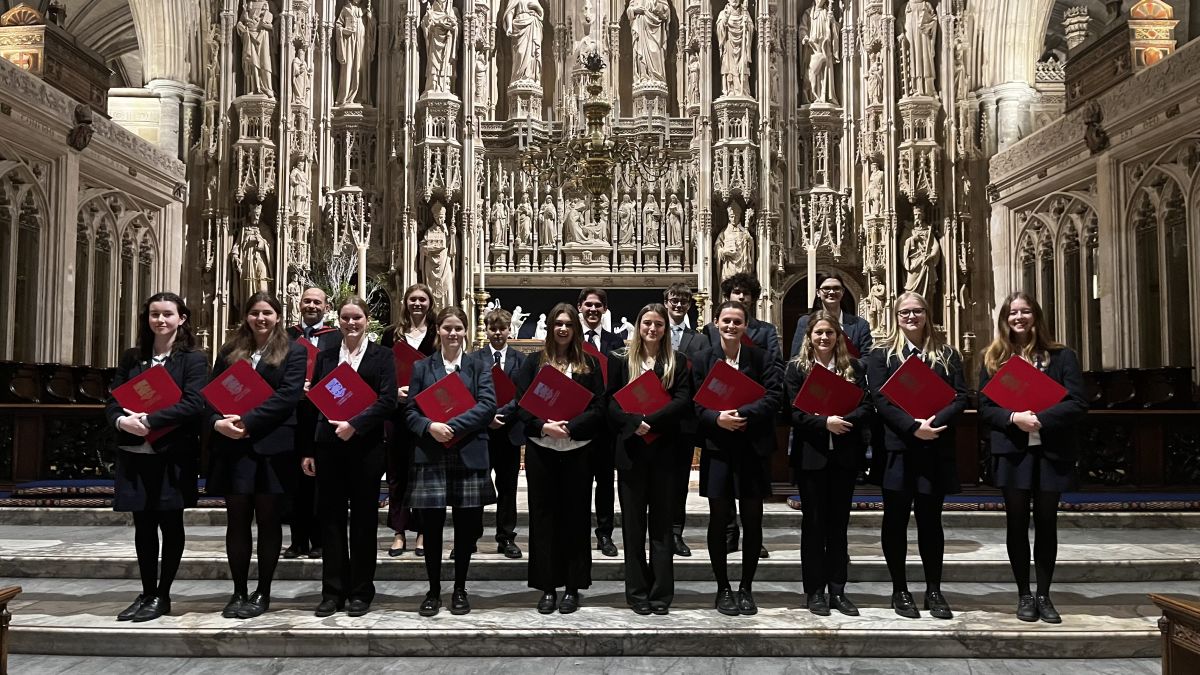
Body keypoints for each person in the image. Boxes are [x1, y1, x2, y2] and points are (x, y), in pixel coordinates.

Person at [979, 292, 1087, 624]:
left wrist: (1041, 416)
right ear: (1004, 319)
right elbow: (985, 407)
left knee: (1046, 523)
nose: (1019, 317)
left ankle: (1044, 594)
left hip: (1051, 450)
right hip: (1013, 451)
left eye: (1025, 311)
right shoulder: (993, 358)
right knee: (1015, 524)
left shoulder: (1061, 356)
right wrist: (1014, 419)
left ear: (1036, 316)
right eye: (1013, 313)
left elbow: (1077, 402)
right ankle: (1024, 594)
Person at [106, 292, 207, 623]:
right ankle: (147, 591)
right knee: (143, 526)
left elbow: (194, 403)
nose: (160, 320)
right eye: (154, 314)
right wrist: (123, 420)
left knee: (170, 523)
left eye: (167, 314)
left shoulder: (192, 359)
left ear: (182, 319)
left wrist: (150, 420)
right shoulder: (133, 357)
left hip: (171, 454)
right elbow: (114, 401)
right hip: (135, 452)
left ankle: (162, 595)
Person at [865, 291, 967, 620]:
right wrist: (912, 426)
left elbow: (960, 396)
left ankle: (934, 590)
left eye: (917, 311)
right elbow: (881, 400)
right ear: (895, 317)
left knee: (930, 522)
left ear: (927, 314)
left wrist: (933, 423)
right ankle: (900, 590)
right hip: (897, 449)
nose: (911, 317)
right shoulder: (881, 355)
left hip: (934, 446)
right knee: (895, 521)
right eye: (905, 312)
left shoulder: (947, 354)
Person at [208, 293, 307, 619]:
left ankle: (262, 590)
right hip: (234, 447)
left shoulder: (293, 350)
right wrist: (217, 422)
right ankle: (238, 591)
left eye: (267, 312)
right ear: (246, 316)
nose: (260, 318)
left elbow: (288, 396)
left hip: (272, 447)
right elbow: (210, 393)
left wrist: (248, 422)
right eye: (254, 313)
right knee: (236, 521)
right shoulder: (229, 351)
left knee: (268, 521)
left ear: (278, 316)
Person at [304, 296, 397, 617]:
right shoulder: (327, 357)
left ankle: (360, 591)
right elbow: (314, 402)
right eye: (345, 317)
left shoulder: (382, 356)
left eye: (356, 317)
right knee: (329, 521)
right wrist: (309, 449)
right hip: (329, 449)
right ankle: (332, 591)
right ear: (338, 320)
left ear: (367, 319)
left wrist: (354, 425)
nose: (351, 323)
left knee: (363, 522)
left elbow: (387, 401)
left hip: (366, 449)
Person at [513, 303, 607, 614]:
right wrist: (543, 426)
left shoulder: (589, 365)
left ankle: (572, 587)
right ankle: (548, 587)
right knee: (544, 519)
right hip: (543, 451)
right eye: (558, 323)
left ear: (576, 329)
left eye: (568, 324)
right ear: (550, 328)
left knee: (576, 519)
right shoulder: (533, 363)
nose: (563, 329)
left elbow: (598, 408)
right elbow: (521, 404)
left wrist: (571, 427)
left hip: (578, 450)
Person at [693, 300, 783, 616]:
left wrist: (742, 413)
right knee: (719, 520)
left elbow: (774, 397)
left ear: (746, 326)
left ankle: (746, 587)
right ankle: (723, 588)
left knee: (752, 519)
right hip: (718, 448)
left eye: (737, 322)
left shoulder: (761, 357)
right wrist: (717, 419)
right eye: (726, 321)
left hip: (752, 448)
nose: (731, 326)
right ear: (716, 322)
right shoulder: (703, 359)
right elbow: (694, 404)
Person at [405, 307, 498, 616]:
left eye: (459, 328)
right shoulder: (422, 367)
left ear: (466, 331)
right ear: (439, 331)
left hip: (468, 453)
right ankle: (433, 590)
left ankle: (459, 588)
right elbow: (410, 411)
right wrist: (430, 427)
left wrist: (453, 427)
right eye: (448, 328)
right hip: (431, 454)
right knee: (431, 528)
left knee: (465, 528)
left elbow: (487, 405)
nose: (453, 333)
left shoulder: (478, 366)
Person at [784, 310, 872, 617]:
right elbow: (793, 414)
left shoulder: (854, 368)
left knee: (839, 526)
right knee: (814, 525)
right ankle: (814, 592)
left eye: (829, 333)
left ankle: (838, 589)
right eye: (818, 332)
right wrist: (824, 423)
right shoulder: (797, 369)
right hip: (812, 457)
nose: (824, 337)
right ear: (809, 336)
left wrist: (843, 420)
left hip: (844, 457)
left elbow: (866, 406)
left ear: (839, 337)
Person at [607, 303, 692, 615]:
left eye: (658, 324)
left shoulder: (678, 362)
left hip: (665, 452)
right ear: (638, 327)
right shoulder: (620, 359)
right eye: (647, 324)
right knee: (632, 527)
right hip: (631, 452)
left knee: (661, 527)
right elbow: (610, 402)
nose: (652, 329)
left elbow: (683, 400)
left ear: (665, 329)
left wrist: (650, 420)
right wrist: (633, 423)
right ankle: (637, 592)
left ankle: (661, 594)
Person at [702, 272, 781, 558]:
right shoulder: (710, 336)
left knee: (751, 499)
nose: (741, 296)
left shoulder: (766, 331)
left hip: (752, 425)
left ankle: (751, 540)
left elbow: (775, 373)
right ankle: (729, 533)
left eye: (746, 293)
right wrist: (717, 413)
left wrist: (745, 408)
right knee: (721, 500)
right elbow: (703, 382)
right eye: (736, 292)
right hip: (720, 428)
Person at [284, 288, 342, 560]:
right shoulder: (286, 336)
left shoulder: (336, 337)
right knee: (295, 482)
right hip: (291, 415)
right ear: (299, 304)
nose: (311, 306)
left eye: (317, 302)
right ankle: (297, 541)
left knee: (321, 481)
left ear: (326, 306)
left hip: (322, 414)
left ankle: (319, 540)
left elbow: (343, 372)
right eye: (307, 301)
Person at [382, 283, 438, 557]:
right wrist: (395, 391)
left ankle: (423, 533)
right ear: (405, 302)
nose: (417, 304)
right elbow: (383, 372)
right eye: (412, 299)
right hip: (397, 412)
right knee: (397, 474)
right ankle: (399, 532)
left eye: (422, 299)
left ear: (430, 303)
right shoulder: (391, 334)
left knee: (424, 474)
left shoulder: (438, 334)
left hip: (428, 414)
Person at [470, 308, 527, 559]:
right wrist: (487, 415)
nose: (497, 333)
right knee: (477, 487)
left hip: (509, 431)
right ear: (486, 330)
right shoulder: (475, 358)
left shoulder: (521, 359)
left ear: (509, 330)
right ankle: (470, 538)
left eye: (502, 328)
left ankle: (506, 538)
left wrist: (502, 414)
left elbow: (522, 394)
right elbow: (470, 393)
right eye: (493, 329)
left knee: (508, 487)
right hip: (482, 432)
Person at [577, 288, 625, 558]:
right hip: (579, 423)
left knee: (605, 483)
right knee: (579, 483)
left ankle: (605, 534)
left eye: (598, 306)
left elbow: (619, 382)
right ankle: (580, 532)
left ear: (604, 309)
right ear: (580, 307)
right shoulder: (570, 340)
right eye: (589, 305)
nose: (593, 310)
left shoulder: (615, 341)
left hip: (606, 425)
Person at [663, 283, 703, 557]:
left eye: (684, 301)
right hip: (654, 419)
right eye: (674, 300)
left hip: (684, 420)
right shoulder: (653, 330)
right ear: (666, 301)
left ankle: (676, 532)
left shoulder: (698, 339)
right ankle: (656, 531)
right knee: (655, 480)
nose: (678, 305)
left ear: (690, 305)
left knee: (678, 481)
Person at [788, 273, 874, 358]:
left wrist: (847, 369)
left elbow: (867, 359)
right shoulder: (806, 322)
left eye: (836, 288)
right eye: (826, 288)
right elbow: (796, 357)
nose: (832, 292)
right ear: (818, 292)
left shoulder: (860, 325)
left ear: (843, 292)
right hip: (815, 371)